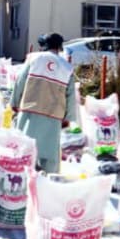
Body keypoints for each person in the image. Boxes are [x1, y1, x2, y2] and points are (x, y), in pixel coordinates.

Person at [9, 32, 77, 173]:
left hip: (29, 110)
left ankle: (22, 174)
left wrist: (14, 103)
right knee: (50, 153)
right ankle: (48, 179)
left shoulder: (33, 58)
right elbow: (70, 95)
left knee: (25, 147)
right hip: (53, 115)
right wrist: (68, 118)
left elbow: (20, 81)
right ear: (59, 47)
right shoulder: (67, 67)